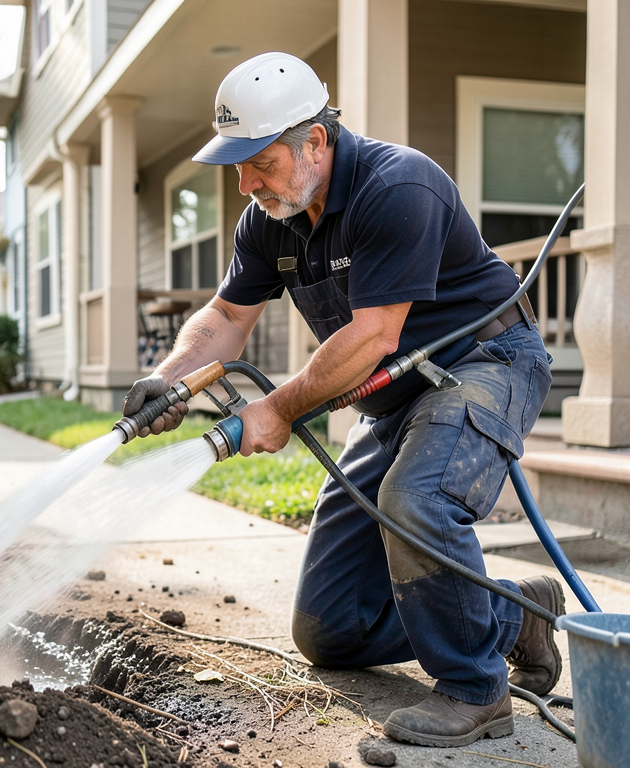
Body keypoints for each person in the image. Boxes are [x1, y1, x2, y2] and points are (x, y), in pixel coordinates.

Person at [122, 52, 566, 748]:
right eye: (238, 166)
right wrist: (173, 377)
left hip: (483, 361)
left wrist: (276, 409)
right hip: (393, 397)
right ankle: (514, 617)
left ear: (316, 143)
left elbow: (373, 335)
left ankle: (478, 690)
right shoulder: (270, 217)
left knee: (415, 499)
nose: (245, 183)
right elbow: (227, 318)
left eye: (258, 162)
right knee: (331, 628)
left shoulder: (399, 184)